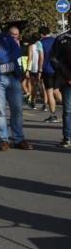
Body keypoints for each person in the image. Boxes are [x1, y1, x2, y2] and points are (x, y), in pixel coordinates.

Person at [0, 15, 32, 151]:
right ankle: (4, 140)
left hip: (13, 77)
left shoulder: (6, 37)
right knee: (0, 111)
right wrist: (6, 54)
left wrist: (3, 55)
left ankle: (19, 138)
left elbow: (16, 52)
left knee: (17, 110)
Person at [51, 14, 71, 148]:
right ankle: (67, 138)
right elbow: (53, 59)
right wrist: (67, 76)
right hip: (68, 80)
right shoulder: (61, 39)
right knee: (68, 110)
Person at [40, 26, 61, 122]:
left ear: (41, 34)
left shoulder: (40, 43)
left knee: (49, 92)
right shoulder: (57, 40)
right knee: (56, 90)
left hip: (47, 69)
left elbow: (41, 57)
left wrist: (39, 70)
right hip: (57, 69)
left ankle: (53, 115)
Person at [26, 33, 43, 110]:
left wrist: (27, 69)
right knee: (42, 85)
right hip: (41, 68)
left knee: (34, 86)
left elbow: (30, 58)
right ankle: (45, 103)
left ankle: (33, 102)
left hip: (33, 68)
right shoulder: (41, 45)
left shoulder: (31, 46)